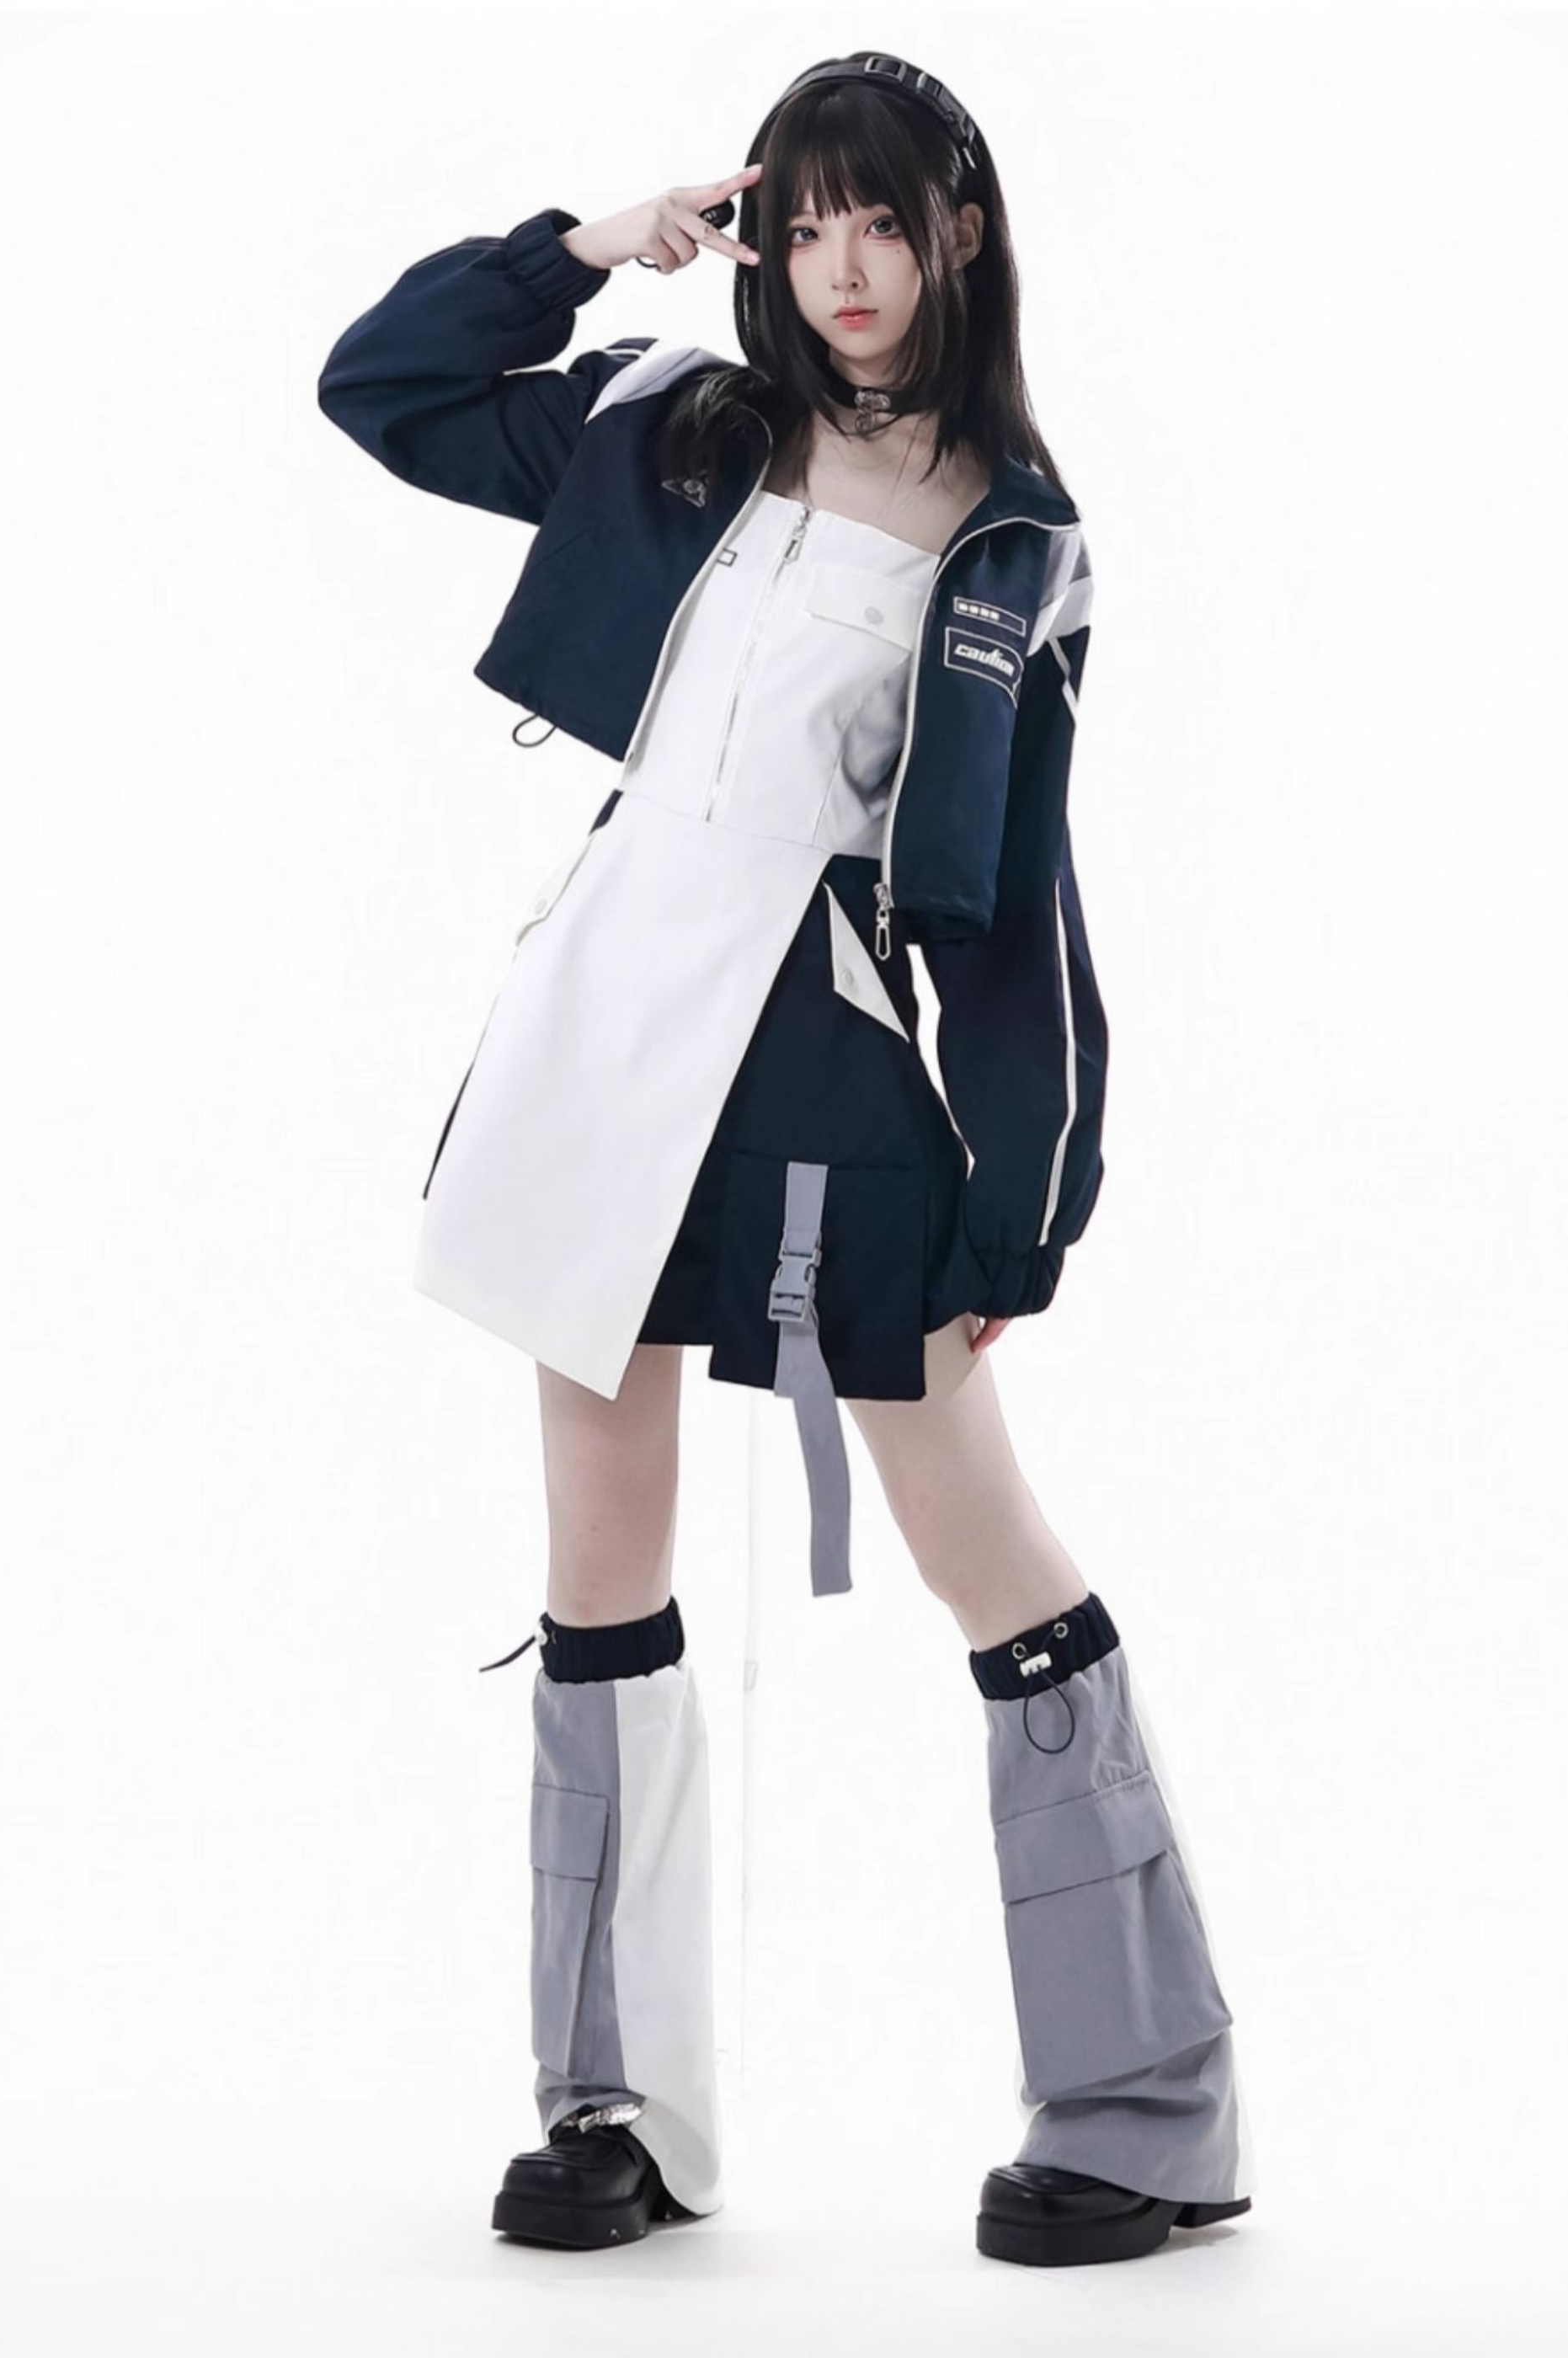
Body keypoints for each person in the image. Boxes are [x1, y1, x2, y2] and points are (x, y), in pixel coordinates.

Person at [317, 51, 1256, 2268]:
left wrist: (1024, 1200)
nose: (841, 267)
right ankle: (617, 2114)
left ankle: (1149, 2111)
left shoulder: (1017, 536)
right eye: (803, 220)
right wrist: (584, 246)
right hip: (598, 1022)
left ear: (957, 235)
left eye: (882, 222)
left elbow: (1019, 899)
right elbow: (383, 385)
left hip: (822, 1053)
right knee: (597, 1545)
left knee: (975, 1534)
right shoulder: (668, 420)